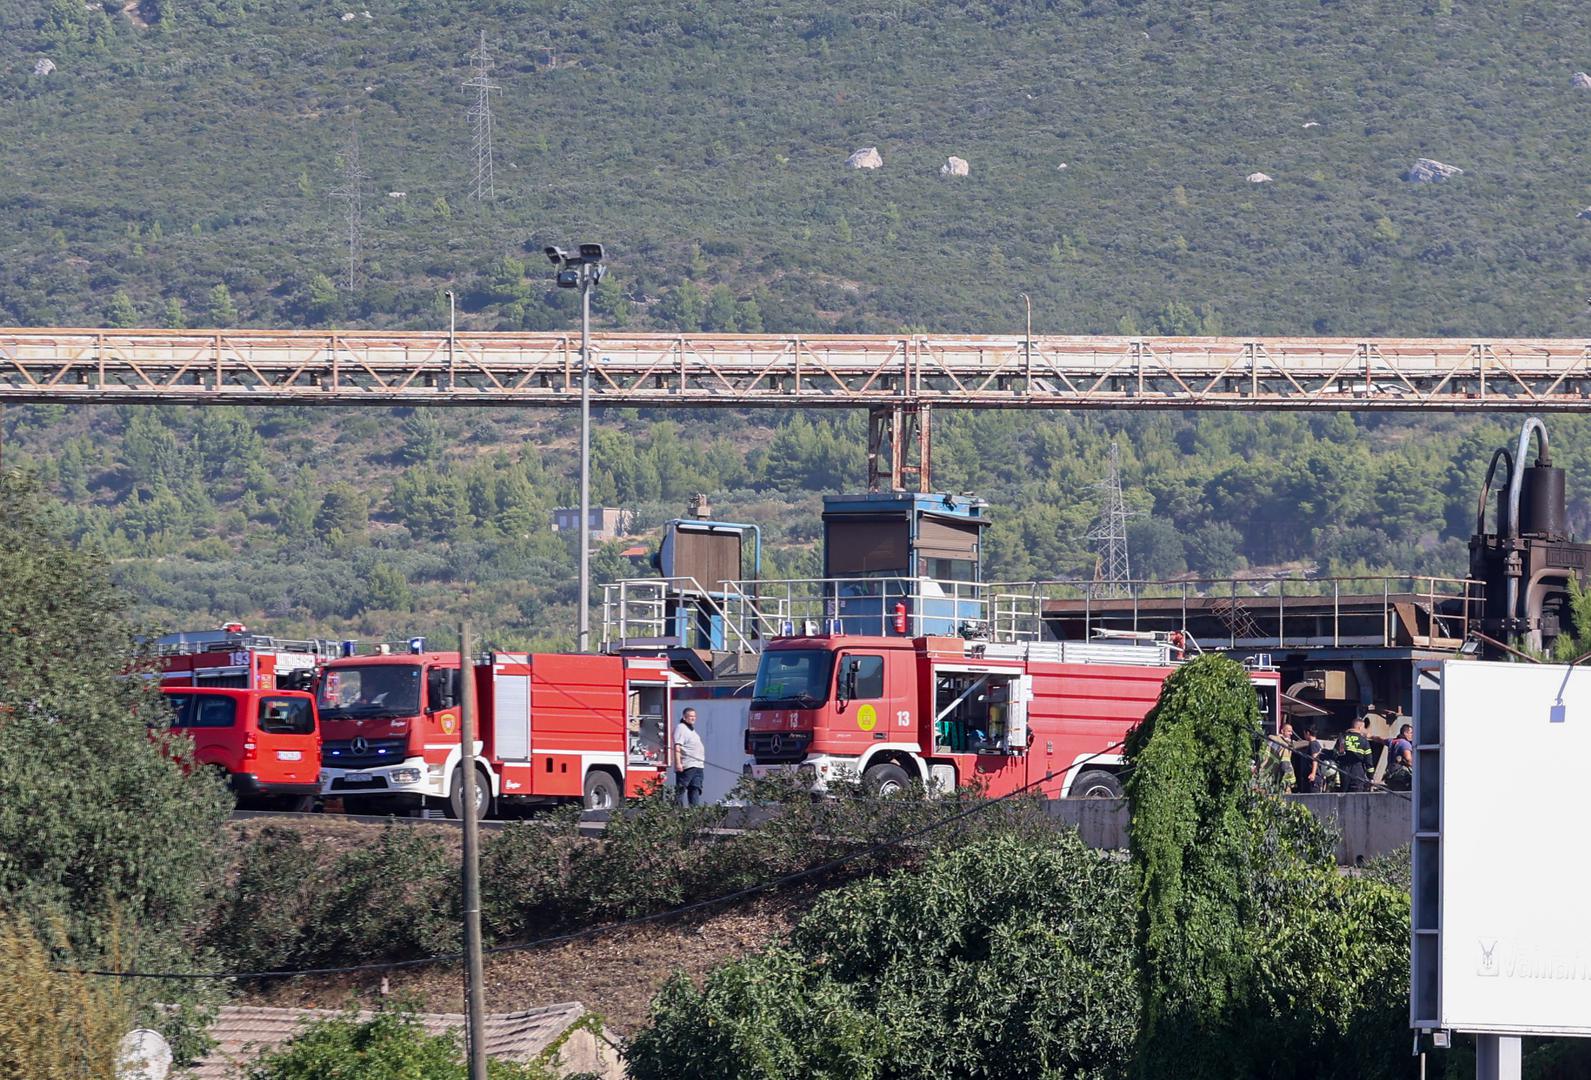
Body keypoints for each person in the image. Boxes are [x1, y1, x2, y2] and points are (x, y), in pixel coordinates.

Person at [673, 707, 706, 807]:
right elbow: (677, 746)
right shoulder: (681, 728)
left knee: (695, 788)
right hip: (688, 765)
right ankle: (677, 811)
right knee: (681, 789)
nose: (693, 718)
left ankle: (694, 812)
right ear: (684, 717)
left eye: (694, 716)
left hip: (698, 765)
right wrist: (678, 763)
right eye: (690, 716)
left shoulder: (691, 730)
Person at [1336, 714, 1375, 793]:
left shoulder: (1342, 737)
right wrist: (1371, 777)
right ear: (1360, 728)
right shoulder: (1364, 740)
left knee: (1344, 794)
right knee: (1357, 795)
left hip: (1343, 771)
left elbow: (1336, 754)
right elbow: (1369, 760)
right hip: (1357, 771)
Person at [1263, 720, 1296, 791]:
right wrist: (1290, 780)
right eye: (1288, 731)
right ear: (1282, 731)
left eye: (1291, 732)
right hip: (1272, 775)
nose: (1291, 734)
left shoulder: (1286, 744)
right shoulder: (1279, 743)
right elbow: (1285, 764)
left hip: (1271, 776)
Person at [1291, 721, 1322, 794]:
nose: (1304, 735)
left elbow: (1315, 759)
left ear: (1308, 733)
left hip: (1312, 778)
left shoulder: (1313, 744)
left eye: (1304, 733)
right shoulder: (1314, 744)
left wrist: (1313, 773)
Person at [1384, 722, 1414, 791]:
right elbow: (1409, 760)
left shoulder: (1392, 741)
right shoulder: (1405, 744)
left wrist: (1370, 736)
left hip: (1390, 773)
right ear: (1405, 733)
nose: (1412, 735)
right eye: (1411, 733)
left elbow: (1380, 739)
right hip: (1400, 776)